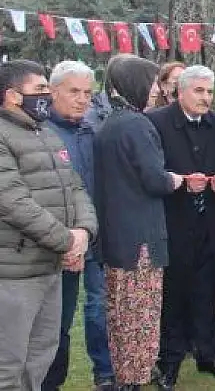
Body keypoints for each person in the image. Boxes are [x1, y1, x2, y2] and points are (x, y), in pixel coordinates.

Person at [0, 60, 97, 391]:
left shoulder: (47, 134)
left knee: (40, 356)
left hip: (49, 268)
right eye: (39, 89)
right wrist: (67, 241)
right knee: (9, 362)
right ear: (13, 96)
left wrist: (83, 232)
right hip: (13, 273)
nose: (46, 95)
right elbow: (12, 202)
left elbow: (76, 187)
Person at [93, 54, 184, 390]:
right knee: (140, 313)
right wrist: (173, 179)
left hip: (118, 236)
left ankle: (127, 373)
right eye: (151, 84)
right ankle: (135, 376)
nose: (155, 92)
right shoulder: (136, 124)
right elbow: (154, 179)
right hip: (140, 239)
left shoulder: (110, 124)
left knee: (121, 313)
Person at [147, 66, 215, 387]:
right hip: (173, 223)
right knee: (173, 296)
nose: (206, 98)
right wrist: (182, 184)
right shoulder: (156, 123)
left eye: (210, 91)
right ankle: (169, 363)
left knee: (206, 294)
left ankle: (209, 357)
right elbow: (152, 173)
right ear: (179, 92)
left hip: (209, 223)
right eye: (198, 91)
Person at [43, 61, 115, 391]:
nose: (82, 99)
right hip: (60, 240)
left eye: (88, 92)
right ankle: (50, 379)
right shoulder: (41, 133)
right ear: (52, 91)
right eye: (74, 91)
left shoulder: (93, 129)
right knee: (58, 315)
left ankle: (105, 372)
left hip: (96, 235)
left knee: (100, 306)